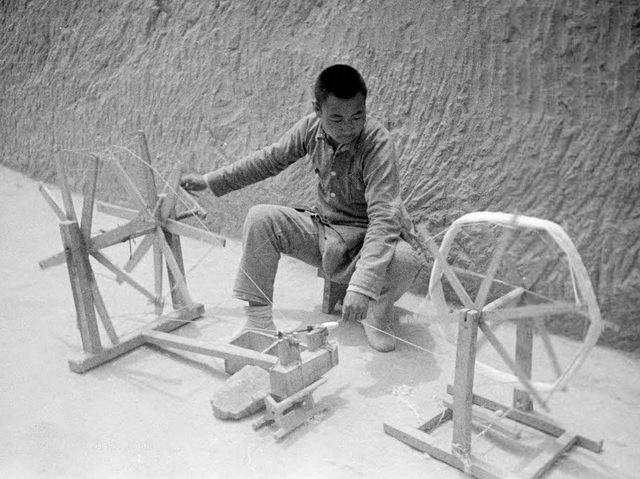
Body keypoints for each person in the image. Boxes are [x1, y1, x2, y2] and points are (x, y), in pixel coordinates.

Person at [180, 64, 422, 352]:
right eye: (337, 118)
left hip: (365, 239)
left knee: (406, 260)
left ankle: (377, 314)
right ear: (317, 110)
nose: (348, 127)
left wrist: (362, 286)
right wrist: (210, 181)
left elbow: (384, 216)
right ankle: (258, 322)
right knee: (261, 218)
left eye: (358, 116)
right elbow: (268, 160)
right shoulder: (310, 129)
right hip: (324, 231)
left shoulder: (377, 142)